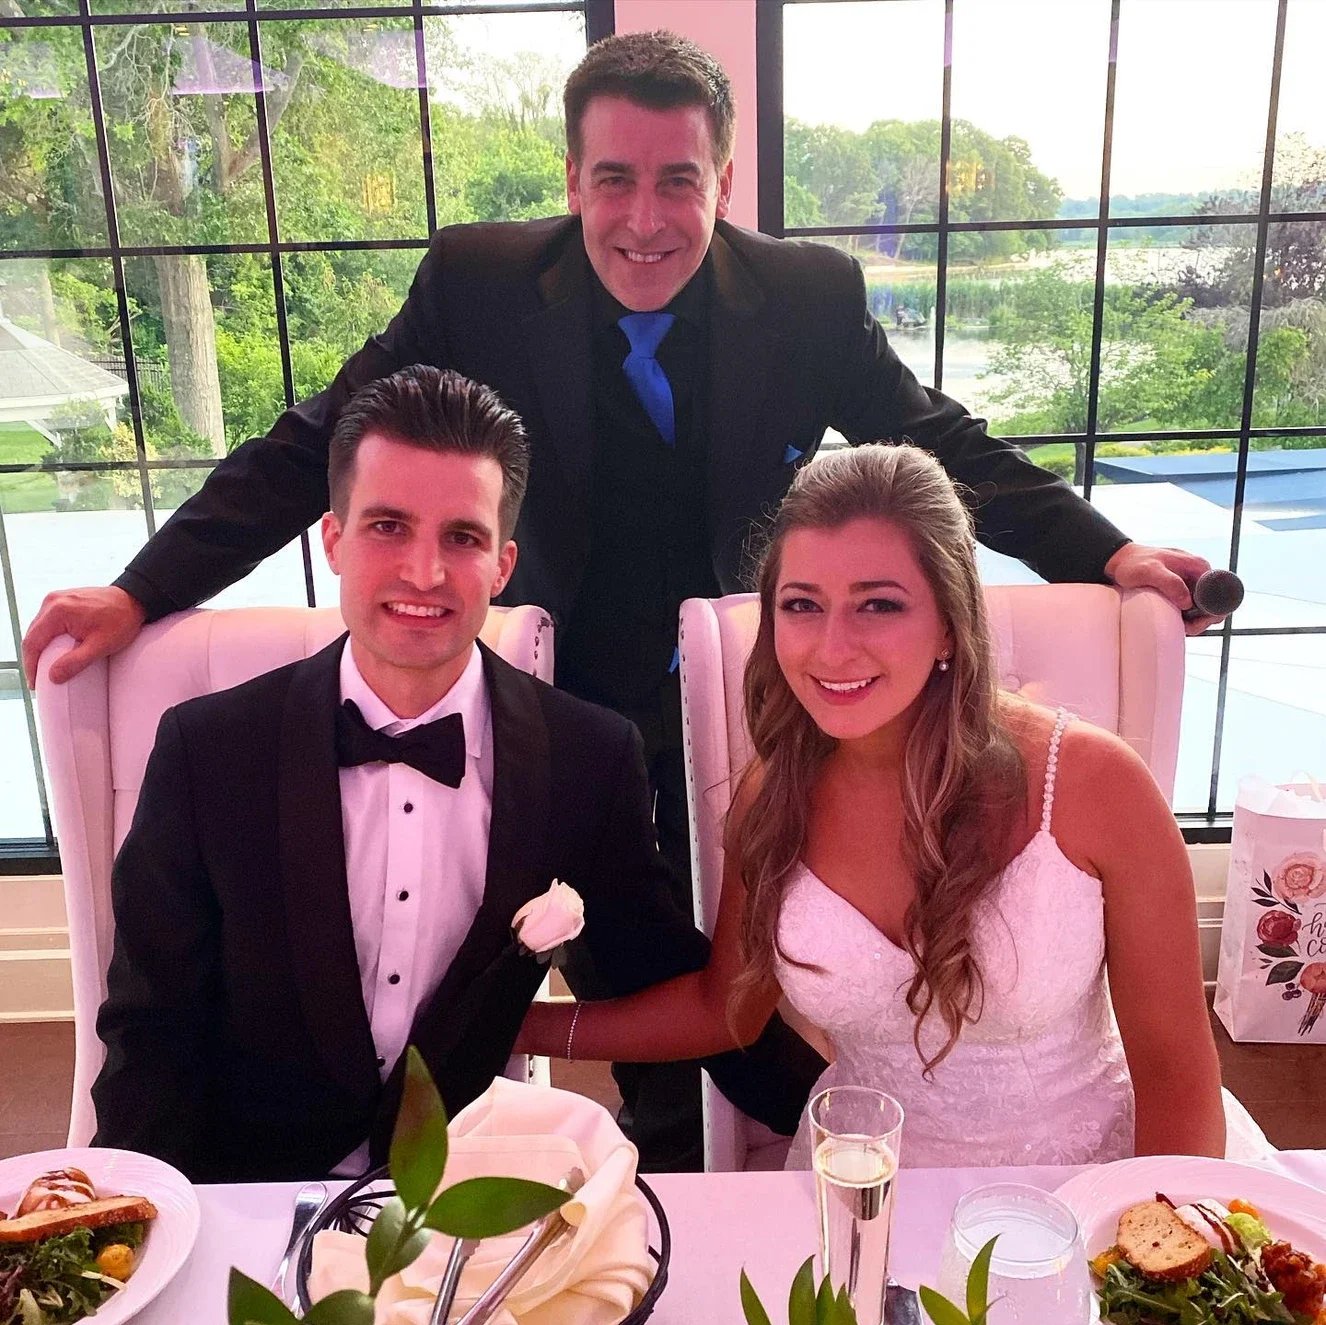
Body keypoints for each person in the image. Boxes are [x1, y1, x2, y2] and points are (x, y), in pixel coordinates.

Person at [28, 29, 1219, 1165]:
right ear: (573, 177)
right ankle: (697, 1160)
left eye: (678, 181)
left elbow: (933, 448)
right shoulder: (480, 282)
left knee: (743, 978)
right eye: (613, 180)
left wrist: (1106, 553)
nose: (644, 219)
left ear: (725, 176)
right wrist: (142, 592)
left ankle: (826, 1144)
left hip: (767, 691)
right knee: (635, 980)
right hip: (573, 713)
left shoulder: (806, 297)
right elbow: (318, 444)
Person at [90, 366, 819, 1183]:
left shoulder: (585, 757)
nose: (425, 573)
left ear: (503, 563)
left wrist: (855, 1102)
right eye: (388, 527)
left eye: (461, 538)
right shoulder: (209, 751)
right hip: (254, 1194)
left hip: (469, 1201)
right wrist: (132, 1236)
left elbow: (667, 975)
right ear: (333, 538)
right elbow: (150, 1033)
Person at [518, 443, 1235, 1167]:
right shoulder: (775, 795)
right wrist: (520, 1028)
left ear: (951, 624)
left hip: (1076, 1201)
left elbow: (1177, 1073)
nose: (833, 648)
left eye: (879, 605)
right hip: (858, 1191)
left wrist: (1151, 1253)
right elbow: (723, 1011)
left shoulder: (1092, 784)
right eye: (803, 605)